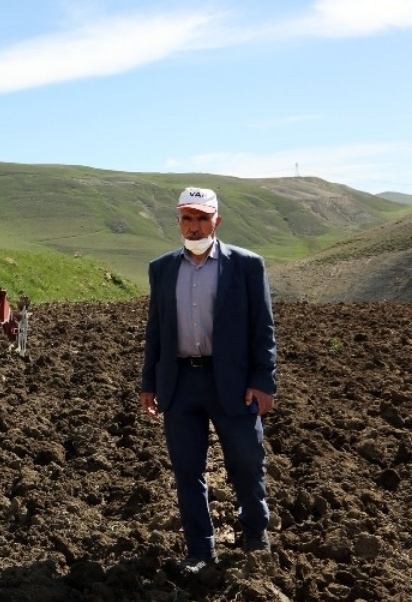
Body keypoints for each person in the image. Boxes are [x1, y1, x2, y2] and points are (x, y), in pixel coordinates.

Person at [139, 187, 278, 575]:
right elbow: (157, 330)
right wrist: (148, 381)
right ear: (178, 221)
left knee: (247, 460)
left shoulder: (247, 265)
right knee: (187, 470)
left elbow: (262, 328)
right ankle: (201, 550)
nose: (194, 226)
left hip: (231, 381)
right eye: (187, 218)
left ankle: (255, 534)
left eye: (202, 218)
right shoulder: (162, 268)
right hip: (180, 382)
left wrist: (263, 380)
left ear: (217, 220)